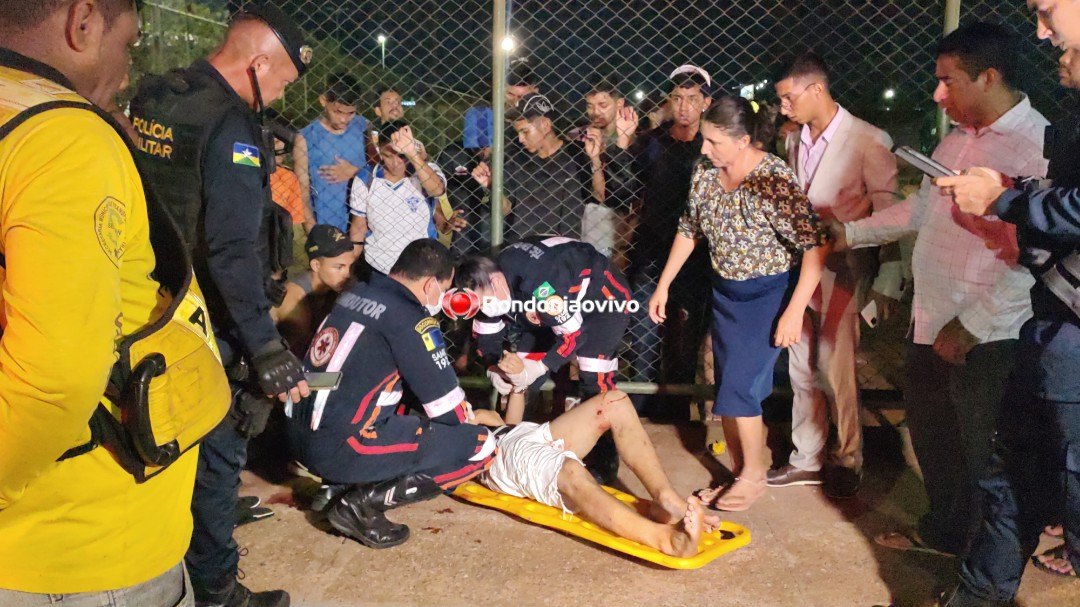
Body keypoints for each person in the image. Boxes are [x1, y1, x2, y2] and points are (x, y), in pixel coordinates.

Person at [0, 1, 226, 605]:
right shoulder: (59, 137)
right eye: (125, 45)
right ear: (82, 23)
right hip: (73, 548)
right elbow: (55, 381)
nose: (126, 73)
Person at [833, 22, 1047, 559]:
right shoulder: (956, 139)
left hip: (988, 334)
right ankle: (947, 534)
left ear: (988, 77)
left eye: (948, 82)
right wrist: (851, 233)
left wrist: (974, 324)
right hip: (931, 318)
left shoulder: (1035, 148)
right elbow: (921, 212)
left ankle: (986, 566)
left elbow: (1038, 258)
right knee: (934, 441)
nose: (937, 94)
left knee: (985, 456)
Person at [129, 4, 314, 605]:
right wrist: (264, 346)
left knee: (153, 447)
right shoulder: (232, 126)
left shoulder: (157, 97)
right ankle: (216, 591)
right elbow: (232, 250)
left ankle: (160, 570)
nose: (279, 95)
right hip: (209, 320)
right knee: (216, 456)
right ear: (258, 63)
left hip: (145, 299)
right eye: (282, 81)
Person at [929, 2, 1080, 600]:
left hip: (1070, 334)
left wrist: (1007, 201)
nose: (1040, 34)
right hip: (1052, 327)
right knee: (1009, 481)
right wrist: (1015, 192)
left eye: (1047, 13)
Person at [649, 95, 828, 512]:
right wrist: (663, 285)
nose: (704, 149)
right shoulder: (706, 174)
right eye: (704, 141)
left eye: (714, 142)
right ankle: (738, 472)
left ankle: (753, 476)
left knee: (739, 390)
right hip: (726, 295)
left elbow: (815, 248)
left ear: (744, 139)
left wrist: (794, 310)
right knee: (729, 390)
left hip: (767, 297)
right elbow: (689, 229)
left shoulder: (773, 179)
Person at [286, 239, 498, 549]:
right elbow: (448, 412)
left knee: (385, 397)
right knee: (481, 445)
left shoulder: (357, 292)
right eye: (445, 287)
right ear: (429, 284)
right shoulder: (412, 320)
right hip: (339, 446)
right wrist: (474, 418)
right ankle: (361, 506)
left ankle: (337, 487)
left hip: (297, 434)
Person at [770, 51, 901, 499]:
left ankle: (849, 456)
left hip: (843, 269)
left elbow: (892, 215)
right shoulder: (793, 140)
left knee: (834, 367)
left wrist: (888, 277)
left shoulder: (868, 139)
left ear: (816, 90)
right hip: (799, 267)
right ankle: (806, 456)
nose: (784, 108)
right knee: (800, 366)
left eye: (788, 98)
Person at [480, 355, 711, 558]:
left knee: (613, 402)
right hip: (496, 455)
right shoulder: (453, 420)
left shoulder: (464, 406)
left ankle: (667, 499)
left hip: (523, 434)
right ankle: (666, 540)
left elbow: (510, 424)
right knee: (570, 470)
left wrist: (518, 385)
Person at [455, 235, 634, 484]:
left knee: (594, 375)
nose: (486, 308)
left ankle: (605, 463)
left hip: (602, 300)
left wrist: (539, 366)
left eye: (486, 301)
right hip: (553, 301)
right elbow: (486, 338)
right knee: (521, 374)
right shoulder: (490, 282)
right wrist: (494, 367)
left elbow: (574, 336)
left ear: (496, 281)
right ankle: (517, 452)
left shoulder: (542, 287)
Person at [610, 65, 714, 417]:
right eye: (677, 98)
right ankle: (640, 415)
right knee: (643, 339)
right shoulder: (651, 142)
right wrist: (623, 145)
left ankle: (676, 416)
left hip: (697, 260)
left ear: (706, 103)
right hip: (651, 254)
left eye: (692, 98)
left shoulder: (711, 147)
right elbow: (622, 192)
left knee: (684, 345)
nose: (683, 106)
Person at [470, 93, 607, 242]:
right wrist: (491, 185)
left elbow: (599, 195)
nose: (521, 139)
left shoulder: (577, 153)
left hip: (565, 248)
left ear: (545, 125)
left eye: (525, 131)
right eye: (518, 133)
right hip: (522, 246)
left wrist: (595, 160)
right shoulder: (514, 158)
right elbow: (505, 209)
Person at [348, 121, 451, 277]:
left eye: (402, 156)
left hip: (421, 264)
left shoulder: (425, 171)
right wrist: (353, 267)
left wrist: (412, 154)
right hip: (378, 265)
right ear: (380, 152)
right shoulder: (367, 178)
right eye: (389, 155)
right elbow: (358, 227)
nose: (396, 163)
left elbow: (437, 190)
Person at [295, 73, 368, 233]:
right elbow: (302, 188)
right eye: (338, 112)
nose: (344, 119)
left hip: (365, 222)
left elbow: (381, 170)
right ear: (323, 101)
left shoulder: (363, 128)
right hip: (327, 222)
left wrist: (355, 172)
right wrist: (310, 225)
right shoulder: (306, 137)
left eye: (350, 113)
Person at [275, 225, 355, 358]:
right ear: (316, 265)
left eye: (350, 267)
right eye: (339, 267)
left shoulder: (333, 288)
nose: (347, 274)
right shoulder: (295, 300)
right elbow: (297, 354)